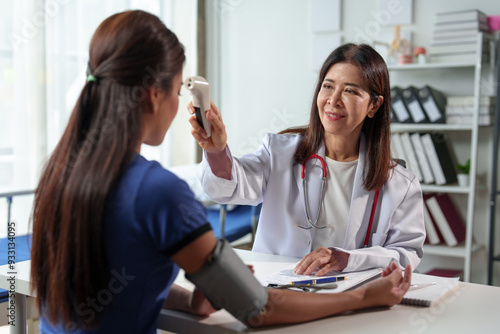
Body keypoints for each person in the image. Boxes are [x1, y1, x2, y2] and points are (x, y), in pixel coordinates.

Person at [31, 11, 412, 333]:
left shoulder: (60, 171)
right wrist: (363, 296)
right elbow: (257, 308)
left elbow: (115, 278)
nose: (334, 99)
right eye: (180, 90)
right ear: (153, 94)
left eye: (351, 91)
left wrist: (192, 296)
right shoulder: (159, 191)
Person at [191, 43, 426, 276]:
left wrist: (349, 259)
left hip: (347, 297)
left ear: (374, 105)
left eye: (350, 90)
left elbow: (406, 253)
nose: (333, 100)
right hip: (276, 289)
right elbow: (228, 188)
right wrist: (217, 151)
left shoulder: (400, 184)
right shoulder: (280, 153)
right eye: (328, 86)